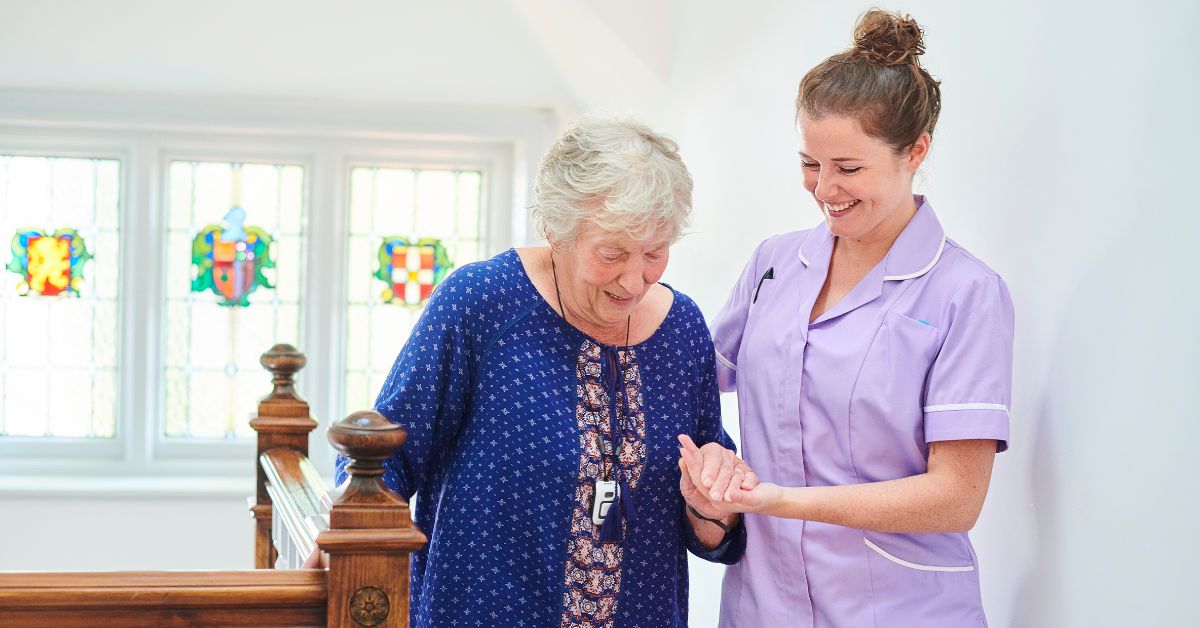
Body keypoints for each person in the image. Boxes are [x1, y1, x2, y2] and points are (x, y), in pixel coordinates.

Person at [335, 116, 748, 628]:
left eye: (654, 254)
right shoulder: (482, 304)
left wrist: (713, 506)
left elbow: (713, 526)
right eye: (612, 253)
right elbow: (382, 460)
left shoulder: (682, 329)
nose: (634, 279)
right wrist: (351, 553)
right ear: (556, 229)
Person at [678, 10, 1015, 627]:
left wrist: (777, 500)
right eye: (811, 163)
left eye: (849, 168)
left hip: (898, 608)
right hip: (763, 604)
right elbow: (688, 371)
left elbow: (956, 498)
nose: (824, 188)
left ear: (916, 151)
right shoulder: (775, 263)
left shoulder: (965, 293)